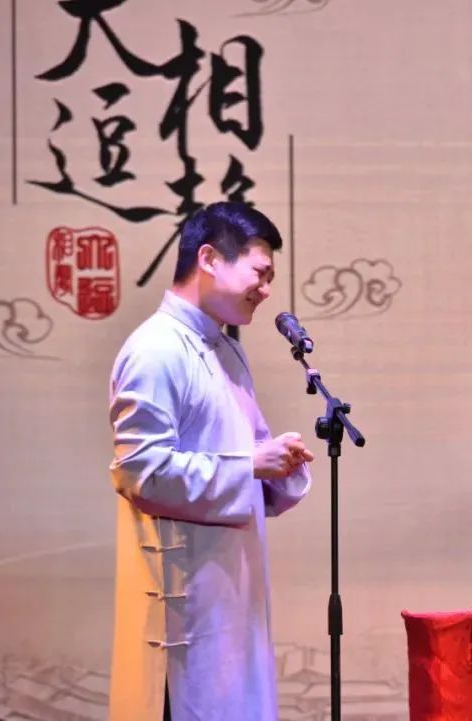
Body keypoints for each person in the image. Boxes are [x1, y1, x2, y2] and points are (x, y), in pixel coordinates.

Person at [107, 202, 314, 721]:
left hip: (235, 592)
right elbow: (141, 472)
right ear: (209, 258)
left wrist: (279, 466)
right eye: (260, 273)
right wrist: (250, 466)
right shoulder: (156, 349)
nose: (265, 290)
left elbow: (251, 453)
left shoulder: (225, 349)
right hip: (185, 606)